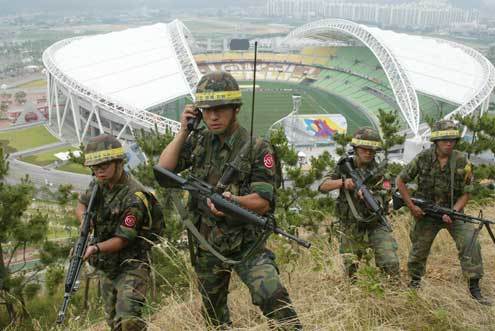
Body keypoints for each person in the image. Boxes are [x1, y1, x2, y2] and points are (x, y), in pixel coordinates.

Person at [158, 71, 301, 329]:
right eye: (207, 110)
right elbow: (164, 172)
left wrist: (233, 202)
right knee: (214, 316)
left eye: (220, 109)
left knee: (273, 296)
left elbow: (263, 201)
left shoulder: (257, 148)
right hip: (207, 244)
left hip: (247, 242)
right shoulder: (200, 140)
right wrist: (183, 131)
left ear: (235, 109)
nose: (213, 116)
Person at [396, 119, 491, 305]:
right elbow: (400, 180)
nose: (449, 142)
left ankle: (474, 288)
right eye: (445, 139)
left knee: (470, 243)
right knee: (418, 249)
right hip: (426, 213)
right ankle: (415, 284)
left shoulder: (462, 161)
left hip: (453, 212)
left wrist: (453, 212)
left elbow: (467, 192)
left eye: (452, 139)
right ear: (436, 141)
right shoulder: (423, 158)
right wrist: (411, 206)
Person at [77, 134, 152, 330]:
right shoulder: (98, 184)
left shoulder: (134, 195)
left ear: (119, 163)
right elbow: (81, 204)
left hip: (131, 263)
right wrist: (85, 222)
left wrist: (94, 248)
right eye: (95, 167)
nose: (99, 171)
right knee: (114, 324)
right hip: (107, 265)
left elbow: (122, 240)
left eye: (104, 166)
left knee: (129, 320)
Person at [318, 127, 400, 281]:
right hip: (351, 224)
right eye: (364, 149)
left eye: (372, 149)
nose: (368, 152)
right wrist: (344, 182)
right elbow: (323, 186)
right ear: (355, 148)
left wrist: (372, 196)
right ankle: (352, 298)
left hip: (376, 222)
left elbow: (388, 196)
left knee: (390, 263)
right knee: (350, 270)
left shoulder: (381, 171)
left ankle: (392, 295)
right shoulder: (344, 166)